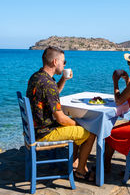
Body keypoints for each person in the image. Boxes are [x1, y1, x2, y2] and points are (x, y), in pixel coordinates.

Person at [26, 46, 96, 181]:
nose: (65, 65)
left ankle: (75, 161)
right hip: (45, 132)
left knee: (76, 126)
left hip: (35, 129)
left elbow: (52, 94)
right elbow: (61, 119)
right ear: (54, 62)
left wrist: (63, 79)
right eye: (63, 62)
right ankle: (80, 170)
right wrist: (79, 124)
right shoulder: (48, 84)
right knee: (90, 132)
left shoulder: (37, 77)